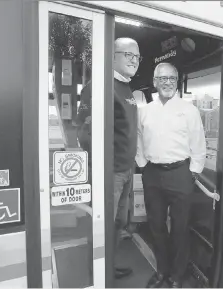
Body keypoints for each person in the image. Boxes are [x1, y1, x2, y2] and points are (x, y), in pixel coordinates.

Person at [136, 62, 207, 288]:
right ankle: (162, 272)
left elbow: (198, 142)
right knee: (156, 226)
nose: (167, 82)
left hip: (180, 174)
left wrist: (193, 172)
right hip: (153, 175)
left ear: (177, 83)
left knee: (179, 228)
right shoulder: (144, 111)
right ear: (155, 82)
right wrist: (143, 165)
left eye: (171, 79)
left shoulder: (189, 110)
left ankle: (177, 275)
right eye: (162, 78)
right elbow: (138, 140)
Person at [77, 37, 141, 280]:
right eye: (128, 55)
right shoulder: (99, 86)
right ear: (112, 56)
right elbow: (84, 132)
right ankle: (97, 274)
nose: (134, 60)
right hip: (109, 173)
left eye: (137, 56)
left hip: (126, 171)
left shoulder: (127, 89)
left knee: (118, 223)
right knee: (102, 224)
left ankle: (108, 265)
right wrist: (103, 165)